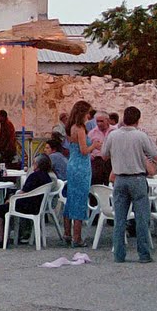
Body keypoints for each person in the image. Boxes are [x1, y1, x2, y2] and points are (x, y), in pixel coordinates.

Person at [102, 106, 157, 263]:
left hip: (119, 178)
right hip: (137, 178)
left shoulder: (113, 135)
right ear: (137, 119)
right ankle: (144, 254)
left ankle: (119, 254)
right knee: (142, 218)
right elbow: (156, 154)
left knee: (120, 219)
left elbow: (104, 155)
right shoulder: (141, 136)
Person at [0, 154, 53, 248]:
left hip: (27, 206)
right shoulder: (47, 177)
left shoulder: (34, 177)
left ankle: (0, 238)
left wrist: (11, 199)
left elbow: (23, 193)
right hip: (38, 206)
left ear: (37, 165)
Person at [63, 100, 100, 247]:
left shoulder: (70, 128)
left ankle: (67, 232)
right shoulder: (79, 128)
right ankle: (77, 237)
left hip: (72, 164)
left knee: (71, 198)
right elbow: (84, 150)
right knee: (80, 199)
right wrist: (95, 145)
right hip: (81, 166)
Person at [87, 112, 113, 185]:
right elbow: (87, 148)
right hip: (97, 162)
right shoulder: (92, 133)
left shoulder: (115, 131)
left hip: (111, 161)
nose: (99, 123)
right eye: (97, 121)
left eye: (101, 121)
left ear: (108, 120)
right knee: (96, 184)